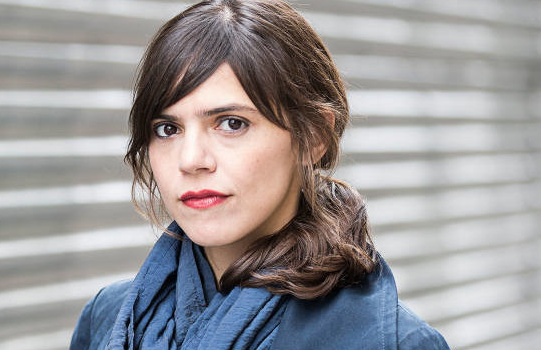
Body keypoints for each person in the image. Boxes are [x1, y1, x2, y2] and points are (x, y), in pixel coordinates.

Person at [70, 0, 450, 349]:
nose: (191, 160)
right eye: (167, 129)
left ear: (314, 136)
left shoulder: (390, 341)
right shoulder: (110, 320)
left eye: (231, 123)